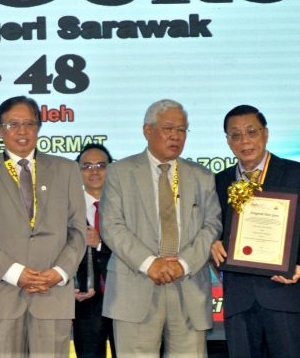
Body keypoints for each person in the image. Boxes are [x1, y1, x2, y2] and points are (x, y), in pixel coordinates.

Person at [0, 96, 86, 357]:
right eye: (13, 124)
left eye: (29, 123)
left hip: (53, 292)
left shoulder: (66, 170)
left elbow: (77, 230)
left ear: (39, 127)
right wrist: (14, 272)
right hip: (2, 294)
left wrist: (59, 272)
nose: (22, 131)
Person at [100, 99, 222, 357]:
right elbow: (111, 225)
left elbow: (212, 225)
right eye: (168, 129)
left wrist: (183, 264)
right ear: (147, 130)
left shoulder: (202, 176)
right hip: (135, 283)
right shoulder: (120, 172)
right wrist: (150, 263)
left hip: (188, 284)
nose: (176, 136)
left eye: (182, 130)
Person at [210, 105, 300, 358]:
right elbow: (210, 228)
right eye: (235, 135)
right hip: (239, 299)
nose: (244, 140)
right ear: (228, 141)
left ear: (265, 133)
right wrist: (212, 242)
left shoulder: (295, 174)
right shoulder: (218, 182)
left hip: (286, 294)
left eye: (251, 131)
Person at [73, 144, 116, 358]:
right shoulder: (67, 209)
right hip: (85, 303)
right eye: (87, 166)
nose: (94, 171)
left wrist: (101, 243)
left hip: (124, 299)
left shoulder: (127, 206)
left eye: (101, 165)